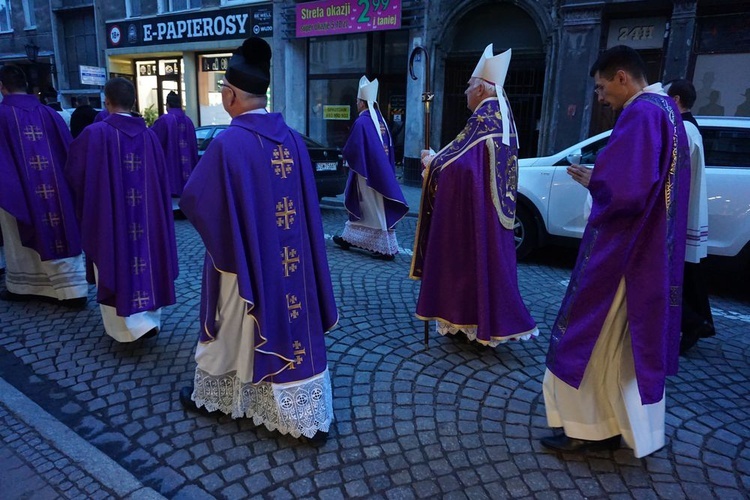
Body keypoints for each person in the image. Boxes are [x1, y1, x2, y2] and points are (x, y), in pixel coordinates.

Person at [178, 37, 338, 442]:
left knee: (233, 323)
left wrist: (228, 244)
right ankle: (298, 409)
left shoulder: (228, 143)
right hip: (292, 264)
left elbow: (195, 199)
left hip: (246, 261)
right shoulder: (294, 140)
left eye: (223, 92)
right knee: (288, 322)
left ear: (231, 95)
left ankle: (218, 394)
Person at [541, 45, 690, 458]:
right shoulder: (669, 112)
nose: (600, 97)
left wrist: (596, 179)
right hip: (649, 251)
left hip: (623, 251)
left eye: (602, 87)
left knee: (592, 336)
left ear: (623, 77)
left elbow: (626, 191)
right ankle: (626, 426)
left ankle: (589, 428)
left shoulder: (642, 114)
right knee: (624, 344)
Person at [411, 44, 538, 346]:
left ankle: (469, 319)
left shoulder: (484, 119)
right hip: (493, 213)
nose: (465, 91)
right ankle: (479, 320)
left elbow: (463, 167)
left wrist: (432, 164)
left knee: (467, 262)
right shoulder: (501, 117)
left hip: (473, 212)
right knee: (488, 263)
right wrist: (440, 158)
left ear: (481, 89)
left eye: (469, 86)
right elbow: (466, 157)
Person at [65, 77, 178, 342]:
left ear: (106, 102)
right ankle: (148, 321)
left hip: (111, 220)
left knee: (113, 257)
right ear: (134, 102)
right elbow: (162, 182)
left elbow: (74, 174)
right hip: (148, 222)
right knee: (148, 260)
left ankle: (125, 331)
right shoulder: (149, 136)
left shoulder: (94, 134)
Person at [0, 64, 88, 307]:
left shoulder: (2, 115)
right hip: (57, 190)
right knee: (62, 231)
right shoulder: (49, 113)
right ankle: (71, 288)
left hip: (20, 190)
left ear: (2, 87)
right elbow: (69, 151)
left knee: (19, 233)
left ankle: (24, 286)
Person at [332, 76, 408, 260]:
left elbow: (353, 148)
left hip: (365, 175)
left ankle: (381, 246)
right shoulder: (379, 120)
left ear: (361, 103)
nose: (356, 103)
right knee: (372, 208)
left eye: (357, 101)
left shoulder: (362, 122)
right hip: (378, 173)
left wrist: (345, 155)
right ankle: (350, 238)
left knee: (370, 208)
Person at [665, 79, 715, 353]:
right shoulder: (688, 128)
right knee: (688, 275)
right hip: (683, 211)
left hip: (677, 214)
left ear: (675, 99)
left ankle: (692, 321)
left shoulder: (682, 129)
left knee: (670, 276)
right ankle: (698, 320)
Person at [150, 91, 199, 212]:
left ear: (168, 105)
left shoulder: (165, 120)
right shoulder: (188, 121)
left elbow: (153, 140)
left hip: (171, 166)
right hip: (187, 171)